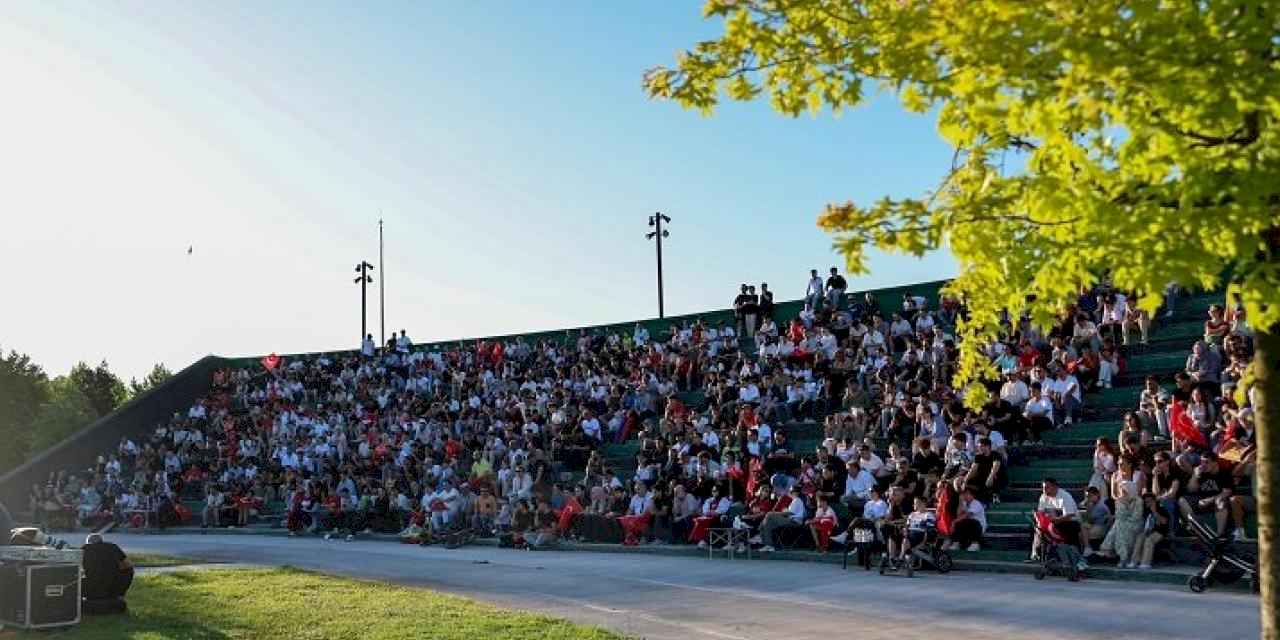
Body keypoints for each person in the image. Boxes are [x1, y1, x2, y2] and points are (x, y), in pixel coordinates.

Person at [1031, 478, 1085, 569]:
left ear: (1055, 487)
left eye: (1047, 487)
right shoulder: (1043, 497)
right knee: (1036, 527)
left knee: (1064, 527)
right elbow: (1040, 512)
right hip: (1053, 523)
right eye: (1043, 488)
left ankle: (1074, 558)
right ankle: (1037, 554)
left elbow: (1069, 515)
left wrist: (1055, 520)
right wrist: (1038, 519)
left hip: (1070, 522)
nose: (1044, 490)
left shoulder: (1065, 496)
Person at [81, 533, 134, 609]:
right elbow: (128, 566)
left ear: (88, 543)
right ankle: (119, 596)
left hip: (90, 590)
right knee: (129, 570)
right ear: (102, 541)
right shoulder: (113, 547)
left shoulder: (84, 549)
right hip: (112, 589)